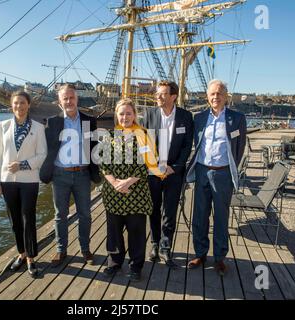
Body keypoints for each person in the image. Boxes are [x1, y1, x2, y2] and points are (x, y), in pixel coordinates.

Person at [186, 79, 247, 275]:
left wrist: (229, 169)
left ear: (226, 96)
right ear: (207, 97)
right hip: (203, 171)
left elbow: (240, 147)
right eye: (212, 94)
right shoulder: (200, 118)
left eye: (219, 93)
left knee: (221, 217)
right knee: (200, 215)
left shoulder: (237, 118)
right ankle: (200, 253)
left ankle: (219, 258)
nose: (215, 97)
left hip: (223, 174)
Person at [100, 99, 165, 281]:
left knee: (136, 233)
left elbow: (148, 164)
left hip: (136, 193)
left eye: (129, 113)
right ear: (116, 115)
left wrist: (127, 182)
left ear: (135, 115)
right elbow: (104, 165)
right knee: (114, 232)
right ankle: (114, 262)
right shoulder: (109, 136)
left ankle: (136, 266)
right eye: (121, 113)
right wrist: (114, 183)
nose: (125, 117)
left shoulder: (143, 135)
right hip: (114, 194)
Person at [39, 84, 101, 267]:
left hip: (82, 174)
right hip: (60, 175)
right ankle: (61, 249)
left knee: (85, 214)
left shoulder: (89, 121)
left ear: (77, 99)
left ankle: (85, 248)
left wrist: (98, 172)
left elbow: (94, 148)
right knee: (61, 215)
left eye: (71, 98)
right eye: (64, 98)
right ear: (59, 102)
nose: (68, 101)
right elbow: (45, 148)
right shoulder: (52, 122)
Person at [0, 90, 47, 277]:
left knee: (28, 219)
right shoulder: (3, 126)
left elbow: (42, 155)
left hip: (29, 180)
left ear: (28, 105)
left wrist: (22, 165)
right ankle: (21, 254)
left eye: (23, 103)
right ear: (11, 105)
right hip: (8, 181)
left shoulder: (38, 128)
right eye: (16, 103)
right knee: (15, 221)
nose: (19, 107)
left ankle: (31, 258)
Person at [141, 81, 194, 268]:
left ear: (173, 96)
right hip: (153, 173)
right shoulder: (149, 114)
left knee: (169, 212)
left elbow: (188, 145)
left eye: (163, 94)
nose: (158, 96)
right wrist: (152, 165)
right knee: (154, 209)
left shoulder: (186, 117)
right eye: (157, 93)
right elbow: (143, 142)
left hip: (173, 173)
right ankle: (155, 243)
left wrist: (177, 166)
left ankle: (165, 246)